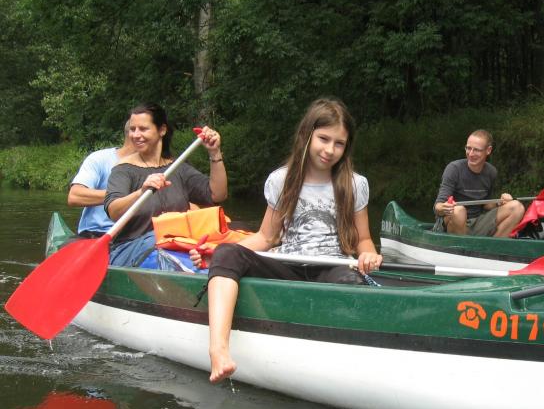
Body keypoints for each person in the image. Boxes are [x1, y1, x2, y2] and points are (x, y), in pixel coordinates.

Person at [190, 97, 382, 384]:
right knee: (227, 253)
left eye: (339, 143)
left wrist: (369, 255)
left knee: (349, 281)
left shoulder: (355, 184)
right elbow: (266, 237)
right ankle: (219, 349)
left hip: (332, 267)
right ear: (307, 135)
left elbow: (363, 239)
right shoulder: (281, 180)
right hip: (286, 266)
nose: (330, 150)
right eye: (323, 139)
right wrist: (218, 253)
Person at [104, 102, 227, 266]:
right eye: (132, 129)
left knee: (214, 251)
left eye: (143, 129)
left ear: (162, 130)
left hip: (176, 245)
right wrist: (141, 192)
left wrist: (214, 152)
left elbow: (217, 194)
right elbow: (114, 212)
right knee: (162, 242)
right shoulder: (123, 170)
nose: (135, 135)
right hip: (132, 248)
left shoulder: (179, 167)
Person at [433, 129, 524, 237]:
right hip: (453, 221)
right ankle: (464, 244)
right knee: (459, 210)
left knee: (517, 207)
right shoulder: (454, 169)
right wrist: (444, 207)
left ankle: (494, 245)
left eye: (476, 150)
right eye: (468, 148)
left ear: (488, 150)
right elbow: (437, 207)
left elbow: (486, 204)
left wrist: (500, 202)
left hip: (477, 221)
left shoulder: (491, 172)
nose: (471, 154)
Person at [68, 119, 136, 237]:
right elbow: (75, 196)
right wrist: (127, 196)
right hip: (98, 233)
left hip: (138, 235)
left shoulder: (158, 166)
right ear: (133, 134)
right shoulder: (99, 159)